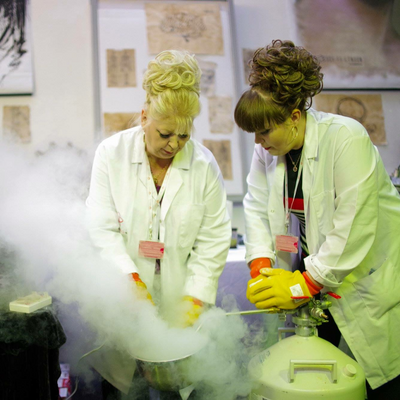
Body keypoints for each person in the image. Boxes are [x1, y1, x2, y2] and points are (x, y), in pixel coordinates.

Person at [234, 39, 400, 399]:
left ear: (295, 117)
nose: (259, 142)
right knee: (321, 381)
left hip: (365, 283)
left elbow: (353, 227)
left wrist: (304, 284)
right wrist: (261, 267)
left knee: (376, 382)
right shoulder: (268, 151)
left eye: (265, 131)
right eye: (254, 133)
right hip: (319, 282)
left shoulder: (345, 138)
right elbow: (256, 206)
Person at [86, 50, 231, 399]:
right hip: (122, 308)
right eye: (165, 134)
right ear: (144, 117)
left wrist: (195, 298)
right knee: (124, 389)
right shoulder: (111, 154)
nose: (174, 145)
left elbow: (213, 240)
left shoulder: (204, 165)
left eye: (184, 136)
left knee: (174, 387)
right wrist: (128, 279)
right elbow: (101, 229)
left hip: (180, 310)